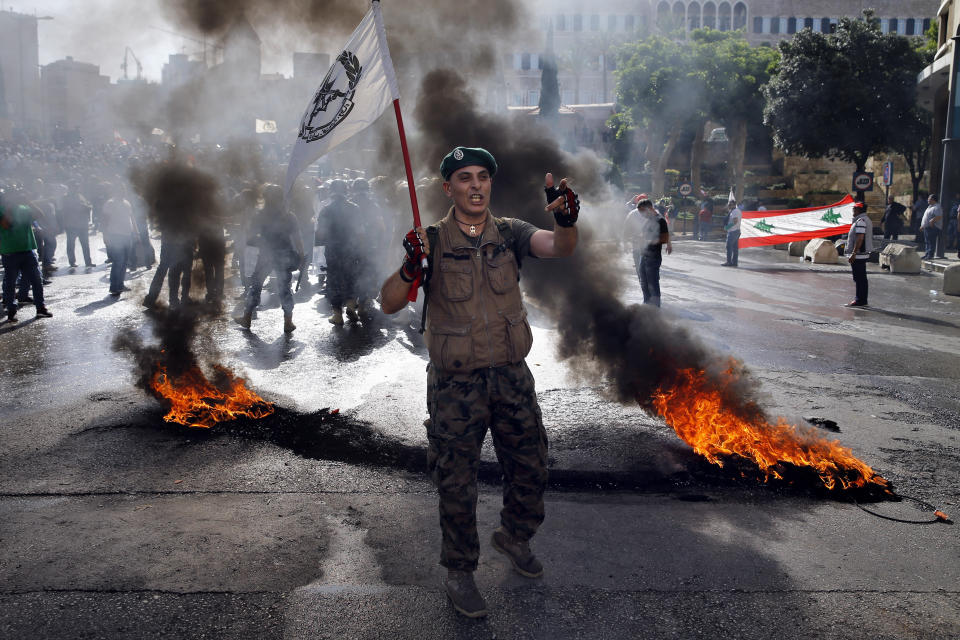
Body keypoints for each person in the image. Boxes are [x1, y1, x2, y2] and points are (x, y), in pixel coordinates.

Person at [379, 146, 580, 619]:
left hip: (512, 376)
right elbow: (388, 302)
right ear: (448, 188)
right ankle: (460, 572)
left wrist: (568, 220)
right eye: (464, 178)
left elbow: (559, 247)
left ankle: (514, 535)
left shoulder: (510, 234)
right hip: (456, 386)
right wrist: (411, 268)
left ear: (490, 185)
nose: (475, 185)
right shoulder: (429, 241)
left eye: (482, 177)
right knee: (456, 482)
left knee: (532, 465)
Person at [237, 184, 303, 333]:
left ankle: (246, 317)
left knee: (256, 285)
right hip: (284, 254)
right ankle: (288, 322)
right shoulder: (289, 216)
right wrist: (301, 254)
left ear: (265, 198)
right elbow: (297, 238)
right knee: (285, 288)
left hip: (265, 255)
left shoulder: (259, 215)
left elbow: (251, 237)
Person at [1, 189, 53, 321]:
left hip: (28, 250)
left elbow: (40, 215)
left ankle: (40, 308)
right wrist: (9, 208)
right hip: (10, 251)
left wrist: (28, 202)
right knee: (10, 283)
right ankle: (11, 310)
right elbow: (6, 225)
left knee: (36, 280)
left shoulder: (24, 208)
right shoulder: (2, 209)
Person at [315, 179, 362, 325]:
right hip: (351, 249)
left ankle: (337, 315)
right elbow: (360, 232)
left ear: (331, 192)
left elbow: (320, 234)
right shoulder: (355, 208)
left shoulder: (326, 210)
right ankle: (350, 306)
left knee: (334, 280)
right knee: (351, 277)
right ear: (346, 191)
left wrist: (319, 245)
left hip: (333, 250)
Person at [623, 196, 672, 306]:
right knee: (644, 281)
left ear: (649, 208)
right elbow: (645, 234)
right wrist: (639, 237)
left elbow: (663, 238)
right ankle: (647, 302)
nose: (641, 215)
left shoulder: (660, 220)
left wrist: (647, 241)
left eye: (642, 212)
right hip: (643, 255)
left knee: (652, 283)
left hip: (653, 257)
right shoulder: (649, 220)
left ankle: (655, 307)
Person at [100, 183, 138, 296]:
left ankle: (120, 284)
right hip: (115, 236)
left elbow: (131, 218)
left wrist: (136, 233)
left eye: (123, 190)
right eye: (120, 190)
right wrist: (105, 236)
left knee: (125, 262)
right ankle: (114, 286)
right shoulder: (110, 204)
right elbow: (104, 220)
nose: (122, 192)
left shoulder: (126, 203)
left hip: (127, 236)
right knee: (118, 261)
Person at [60, 180, 95, 268]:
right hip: (71, 225)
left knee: (85, 244)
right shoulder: (66, 198)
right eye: (74, 187)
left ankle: (88, 262)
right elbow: (65, 210)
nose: (76, 188)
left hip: (82, 224)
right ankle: (72, 262)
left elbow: (89, 206)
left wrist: (86, 207)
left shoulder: (81, 196)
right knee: (71, 244)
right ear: (70, 188)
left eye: (77, 187)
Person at [845, 201, 873, 307]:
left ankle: (859, 300)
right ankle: (862, 299)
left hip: (859, 255)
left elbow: (860, 238)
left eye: (855, 209)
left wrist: (853, 253)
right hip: (861, 254)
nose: (853, 211)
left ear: (859, 210)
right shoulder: (864, 219)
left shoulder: (861, 221)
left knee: (859, 278)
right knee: (861, 278)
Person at [920, 194, 943, 261]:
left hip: (933, 227)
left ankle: (930, 255)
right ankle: (927, 254)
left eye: (929, 199)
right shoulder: (930, 207)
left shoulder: (937, 207)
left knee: (931, 242)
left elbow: (939, 216)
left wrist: (932, 221)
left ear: (933, 200)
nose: (928, 200)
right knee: (927, 241)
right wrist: (923, 225)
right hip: (927, 227)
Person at [722, 199, 741, 266]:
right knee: (735, 248)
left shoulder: (735, 211)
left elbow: (735, 221)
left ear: (734, 205)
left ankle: (729, 262)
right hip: (736, 231)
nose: (729, 206)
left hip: (733, 231)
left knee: (729, 247)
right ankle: (734, 262)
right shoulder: (736, 210)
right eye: (728, 204)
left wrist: (727, 227)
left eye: (730, 205)